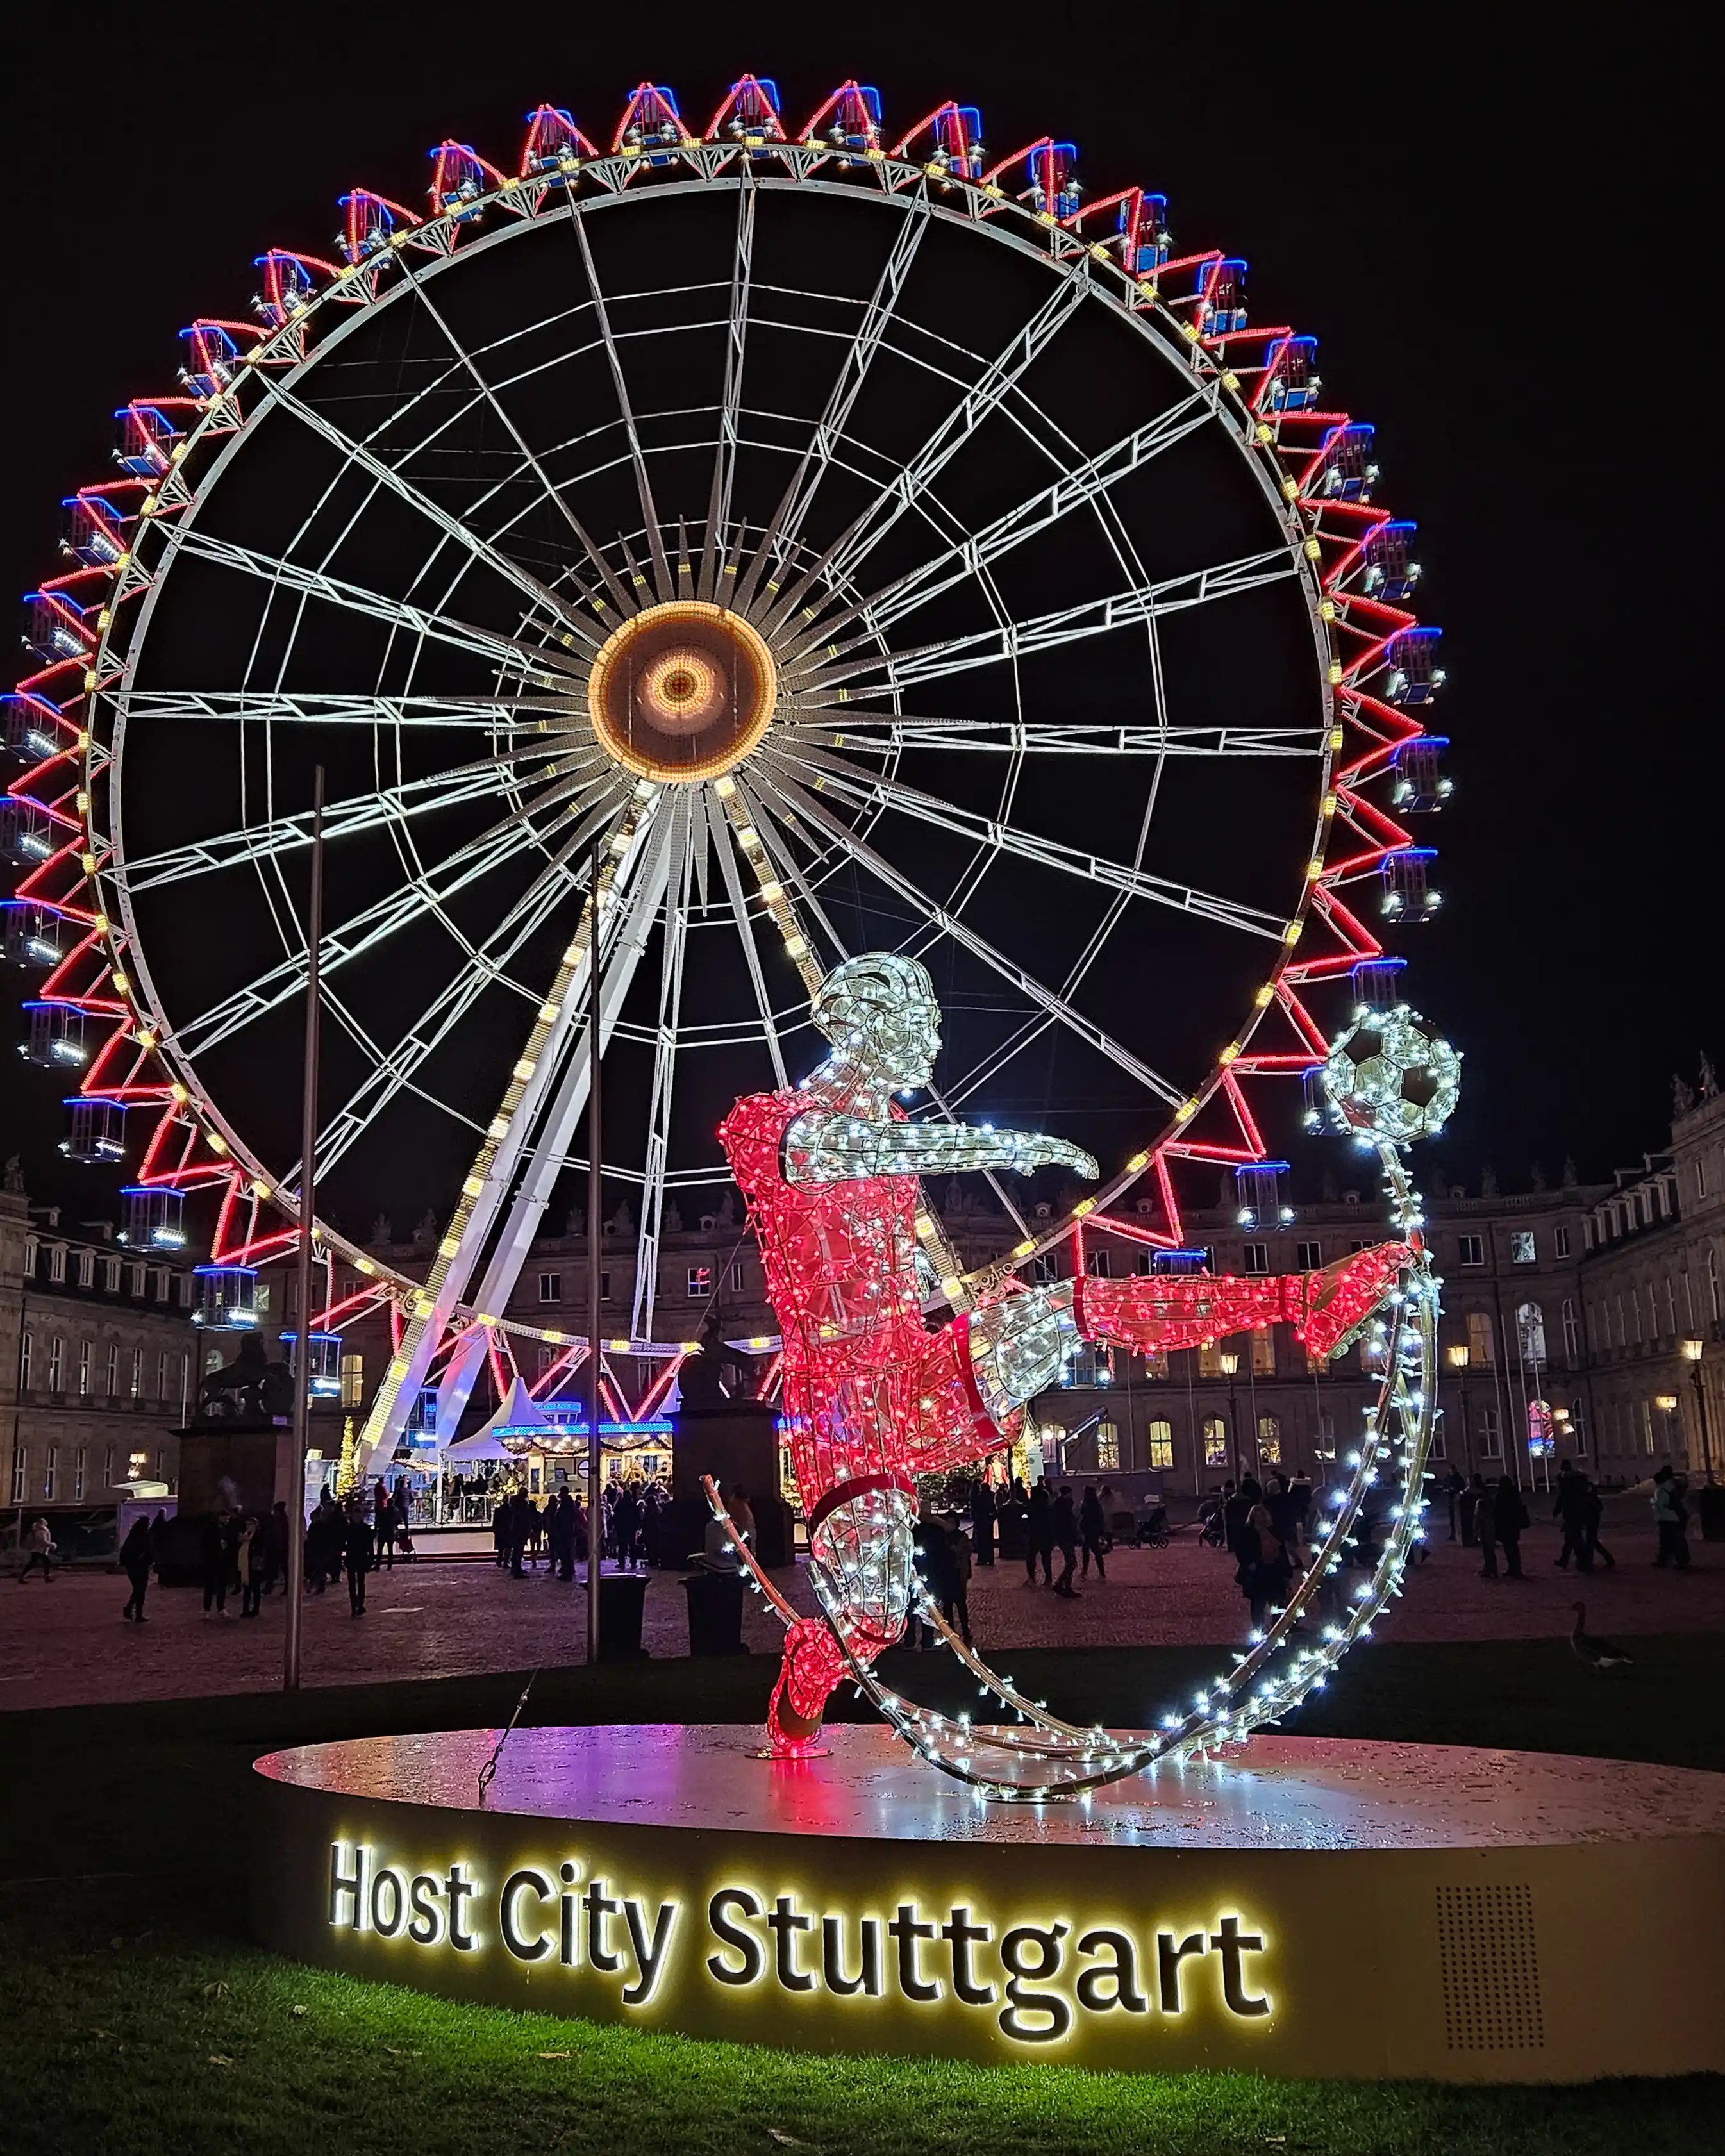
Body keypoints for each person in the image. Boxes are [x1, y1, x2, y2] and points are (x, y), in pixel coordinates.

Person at [718, 950, 1411, 1754]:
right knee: (873, 1620)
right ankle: (799, 1703)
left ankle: (1303, 1301)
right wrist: (1012, 1146)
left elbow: (893, 1262)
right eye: (917, 1026)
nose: (933, 1046)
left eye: (933, 1025)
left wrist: (976, 1306)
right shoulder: (766, 1124)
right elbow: (838, 1152)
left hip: (913, 1367)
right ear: (853, 1026)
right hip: (839, 1409)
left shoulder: (896, 1134)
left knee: (1069, 1308)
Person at [1240, 1491, 1292, 1632]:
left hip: (1273, 1570)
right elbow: (1243, 1552)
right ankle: (1259, 1630)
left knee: (1277, 1603)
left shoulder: (1273, 1531)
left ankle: (1277, 1630)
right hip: (1259, 1572)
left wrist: (1287, 1573)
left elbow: (1282, 1552)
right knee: (1258, 1605)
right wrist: (1250, 1564)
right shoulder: (1248, 1533)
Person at [942, 1513, 974, 1646]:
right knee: (947, 1605)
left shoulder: (962, 1537)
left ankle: (965, 1630)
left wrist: (956, 1550)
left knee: (961, 1604)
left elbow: (966, 1553)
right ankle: (950, 1632)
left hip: (958, 1573)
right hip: (947, 1573)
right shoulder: (943, 1537)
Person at [1652, 1465, 1691, 1570]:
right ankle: (1667, 1559)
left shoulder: (1670, 1485)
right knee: (1668, 1538)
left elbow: (1671, 1500)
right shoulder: (1674, 1483)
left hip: (1675, 1513)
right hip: (1676, 1512)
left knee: (1675, 1538)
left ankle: (1680, 1561)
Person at [1492, 1475, 1529, 1580]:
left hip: (1505, 1525)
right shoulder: (1514, 1494)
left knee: (1509, 1548)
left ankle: (1514, 1568)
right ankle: (1515, 1568)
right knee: (1513, 1547)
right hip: (1514, 1524)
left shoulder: (1501, 1495)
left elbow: (1497, 1510)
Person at [201, 1507, 237, 1616]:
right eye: (226, 1519)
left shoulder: (225, 1529)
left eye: (228, 1519)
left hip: (222, 1562)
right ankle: (207, 1609)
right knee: (210, 1587)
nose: (227, 1521)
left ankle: (221, 1608)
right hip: (212, 1561)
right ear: (220, 1518)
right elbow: (205, 1544)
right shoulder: (211, 1528)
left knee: (222, 1586)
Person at [119, 1515, 153, 1621]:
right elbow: (149, 1551)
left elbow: (125, 1551)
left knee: (138, 1590)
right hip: (141, 1566)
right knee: (140, 1590)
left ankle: (131, 1610)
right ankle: (136, 1613)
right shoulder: (145, 1536)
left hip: (132, 1567)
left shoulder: (132, 1536)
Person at [1050, 1486, 1081, 1598]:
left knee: (1071, 1562)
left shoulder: (1057, 1505)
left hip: (1062, 1537)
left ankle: (1065, 1585)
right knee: (1071, 1562)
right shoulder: (1065, 1506)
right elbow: (1069, 1522)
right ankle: (1062, 1584)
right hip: (1066, 1537)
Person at [345, 1500, 374, 1613]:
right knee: (353, 1583)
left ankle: (359, 1603)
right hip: (353, 1557)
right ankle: (355, 1604)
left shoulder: (363, 1529)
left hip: (360, 1558)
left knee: (360, 1582)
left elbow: (370, 1546)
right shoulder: (350, 1529)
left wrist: (370, 1559)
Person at [1583, 1476, 1616, 1570]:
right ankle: (1605, 1559)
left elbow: (1598, 1507)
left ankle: (1591, 1562)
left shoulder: (1588, 1494)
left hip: (1592, 1520)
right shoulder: (1589, 1492)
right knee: (1592, 1541)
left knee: (1592, 1541)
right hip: (1592, 1519)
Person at [1025, 1481, 1054, 1586]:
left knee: (1031, 1556)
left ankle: (1032, 1578)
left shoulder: (1032, 1505)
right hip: (1046, 1533)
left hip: (1035, 1533)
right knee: (1046, 1557)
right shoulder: (1047, 1506)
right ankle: (1048, 1578)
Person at [1079, 1482, 1108, 1581]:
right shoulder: (1096, 1504)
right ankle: (1101, 1572)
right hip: (1093, 1530)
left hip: (1088, 1530)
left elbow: (1083, 1514)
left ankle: (1085, 1571)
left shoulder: (1086, 1503)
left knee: (1086, 1552)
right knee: (1096, 1553)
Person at [236, 1516, 264, 1617]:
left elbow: (260, 1548)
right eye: (247, 1525)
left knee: (255, 1587)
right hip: (246, 1563)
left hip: (254, 1563)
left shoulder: (259, 1535)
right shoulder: (245, 1535)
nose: (248, 1527)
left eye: (250, 1524)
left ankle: (255, 1609)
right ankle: (245, 1609)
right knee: (247, 1587)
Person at [969, 1477, 997, 1568]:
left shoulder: (978, 1497)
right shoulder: (992, 1496)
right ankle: (990, 1559)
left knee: (982, 1541)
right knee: (989, 1540)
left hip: (981, 1521)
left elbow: (974, 1506)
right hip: (988, 1521)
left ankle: (983, 1559)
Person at [18, 1516, 56, 1584]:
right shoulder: (40, 1532)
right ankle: (47, 1577)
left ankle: (22, 1576)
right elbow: (42, 1542)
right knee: (46, 1562)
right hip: (38, 1551)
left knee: (33, 1564)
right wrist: (51, 1545)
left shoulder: (40, 1531)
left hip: (39, 1551)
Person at [1477, 1480, 1500, 1579]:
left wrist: (1476, 1530)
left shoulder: (1481, 1505)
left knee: (1487, 1551)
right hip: (1491, 1530)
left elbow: (1478, 1520)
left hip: (1485, 1531)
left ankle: (1489, 1569)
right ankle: (1492, 1570)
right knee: (1490, 1551)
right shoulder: (1491, 1505)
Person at [1458, 1473, 1484, 1548]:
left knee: (1475, 1526)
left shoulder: (1473, 1492)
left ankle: (1473, 1540)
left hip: (1471, 1512)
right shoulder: (1468, 1492)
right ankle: (1471, 1540)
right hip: (1469, 1513)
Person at [1442, 1464, 1465, 1541]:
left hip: (1456, 1499)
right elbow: (1444, 1486)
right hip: (1450, 1499)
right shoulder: (1448, 1478)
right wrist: (1446, 1490)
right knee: (1452, 1518)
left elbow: (1461, 1487)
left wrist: (1454, 1490)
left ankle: (1457, 1534)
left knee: (1457, 1518)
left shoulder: (1458, 1478)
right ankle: (1453, 1534)